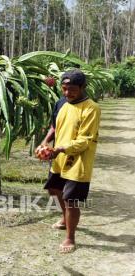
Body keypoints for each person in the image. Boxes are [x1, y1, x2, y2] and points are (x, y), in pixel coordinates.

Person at [40, 69, 101, 253]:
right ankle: (65, 218)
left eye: (72, 89)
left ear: (83, 87)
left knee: (70, 200)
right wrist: (44, 143)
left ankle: (70, 238)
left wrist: (58, 149)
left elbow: (85, 140)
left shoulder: (92, 108)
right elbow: (54, 126)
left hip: (78, 160)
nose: (67, 93)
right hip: (59, 157)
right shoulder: (61, 103)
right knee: (54, 190)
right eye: (64, 88)